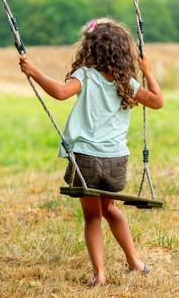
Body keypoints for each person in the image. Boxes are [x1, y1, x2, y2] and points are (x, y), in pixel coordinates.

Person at [19, 18, 163, 286]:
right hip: (117, 161)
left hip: (86, 159)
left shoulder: (84, 75)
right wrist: (148, 71)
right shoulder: (126, 81)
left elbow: (61, 93)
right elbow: (157, 101)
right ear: (122, 51)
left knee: (93, 215)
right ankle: (134, 262)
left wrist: (35, 72)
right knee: (110, 209)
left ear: (88, 48)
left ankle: (100, 273)